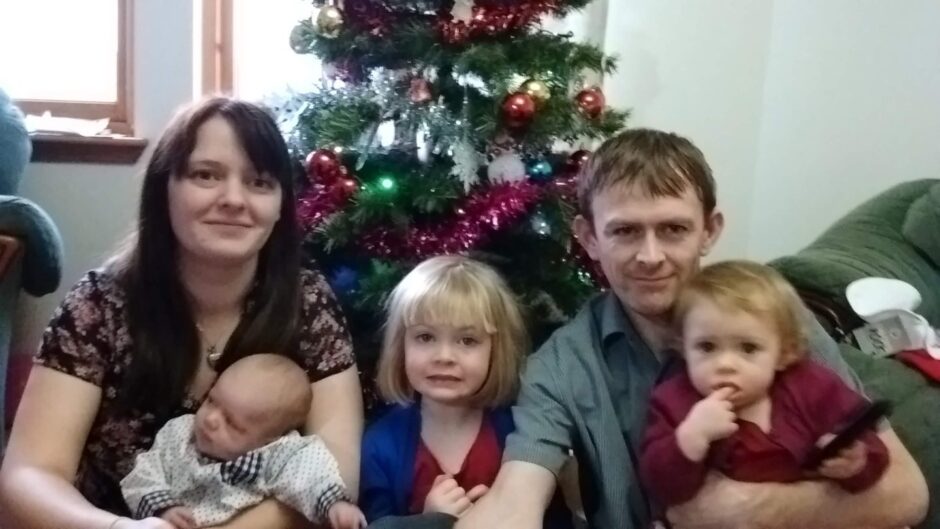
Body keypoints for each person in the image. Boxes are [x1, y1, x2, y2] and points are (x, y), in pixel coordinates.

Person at [452, 128, 927, 529]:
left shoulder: (776, 323)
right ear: (589, 238)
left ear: (710, 230)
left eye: (674, 229)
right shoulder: (559, 366)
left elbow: (907, 493)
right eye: (625, 231)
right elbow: (517, 498)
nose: (651, 256)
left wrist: (755, 508)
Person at [0, 97, 364, 529]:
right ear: (163, 189)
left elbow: (337, 466)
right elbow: (30, 474)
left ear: (281, 203)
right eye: (206, 175)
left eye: (259, 182)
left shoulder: (308, 301)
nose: (233, 199)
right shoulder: (98, 304)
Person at [640, 260, 889, 514]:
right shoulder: (674, 401)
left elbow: (871, 445)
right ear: (683, 347)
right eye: (706, 347)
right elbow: (661, 487)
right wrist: (691, 438)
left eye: (748, 348)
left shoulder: (813, 385)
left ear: (784, 353)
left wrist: (857, 463)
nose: (725, 364)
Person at [358, 255, 572, 528]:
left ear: (496, 350)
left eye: (467, 340)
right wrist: (429, 520)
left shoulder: (522, 432)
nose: (444, 356)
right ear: (401, 347)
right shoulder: (381, 444)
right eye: (425, 337)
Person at [122, 355, 365, 529]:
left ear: (270, 439)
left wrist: (335, 505)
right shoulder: (179, 433)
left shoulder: (279, 455)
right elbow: (143, 474)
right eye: (211, 401)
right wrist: (163, 508)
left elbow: (312, 477)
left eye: (233, 424)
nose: (212, 420)